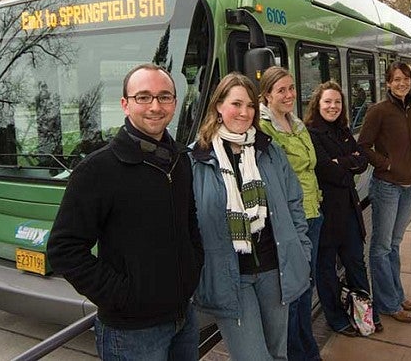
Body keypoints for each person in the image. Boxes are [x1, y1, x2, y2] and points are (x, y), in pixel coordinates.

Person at [48, 64, 204, 360]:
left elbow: (189, 222)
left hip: (184, 317)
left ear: (175, 103)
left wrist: (193, 267)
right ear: (125, 104)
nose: (155, 106)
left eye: (164, 97)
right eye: (143, 97)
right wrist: (123, 296)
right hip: (132, 333)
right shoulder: (97, 170)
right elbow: (63, 250)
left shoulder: (180, 160)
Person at [190, 73, 311, 361]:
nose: (244, 112)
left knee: (277, 354)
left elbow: (294, 202)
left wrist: (302, 250)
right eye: (236, 104)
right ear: (218, 106)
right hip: (231, 278)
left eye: (250, 106)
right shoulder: (197, 159)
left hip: (274, 270)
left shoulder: (269, 151)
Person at [304, 81, 383, 337]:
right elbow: (325, 169)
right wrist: (345, 164)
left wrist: (343, 163)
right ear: (318, 104)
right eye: (327, 101)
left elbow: (362, 161)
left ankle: (365, 312)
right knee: (325, 269)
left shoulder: (344, 130)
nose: (333, 106)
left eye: (337, 102)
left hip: (349, 210)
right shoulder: (310, 133)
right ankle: (336, 317)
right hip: (325, 214)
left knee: (355, 263)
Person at [258, 66, 322, 360]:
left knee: (307, 284)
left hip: (312, 212)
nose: (289, 95)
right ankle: (300, 353)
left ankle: (305, 346)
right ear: (267, 94)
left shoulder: (296, 123)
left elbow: (309, 167)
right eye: (281, 90)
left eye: (291, 88)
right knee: (294, 291)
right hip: (289, 218)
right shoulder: (264, 127)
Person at [358, 61, 411, 324]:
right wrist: (386, 164)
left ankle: (397, 295)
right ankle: (387, 303)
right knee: (381, 247)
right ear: (387, 83)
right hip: (387, 186)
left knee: (394, 244)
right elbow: (363, 145)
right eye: (396, 79)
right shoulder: (379, 111)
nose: (401, 83)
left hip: (409, 185)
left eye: (405, 79)